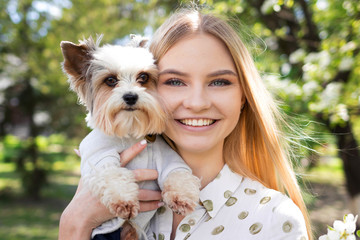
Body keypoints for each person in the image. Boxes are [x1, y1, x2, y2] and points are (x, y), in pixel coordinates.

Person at [59, 8, 312, 240]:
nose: (197, 102)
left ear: (244, 96)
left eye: (220, 82)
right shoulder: (90, 200)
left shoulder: (275, 221)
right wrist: (74, 223)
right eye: (175, 82)